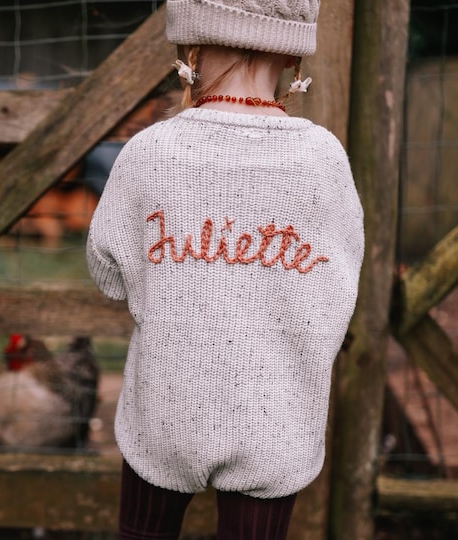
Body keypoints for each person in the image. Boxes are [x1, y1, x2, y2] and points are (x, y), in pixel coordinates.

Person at [86, 1, 364, 538]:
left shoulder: (150, 151)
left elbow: (108, 273)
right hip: (275, 418)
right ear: (292, 55)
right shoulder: (323, 160)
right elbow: (340, 289)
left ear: (190, 46)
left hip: (164, 411)